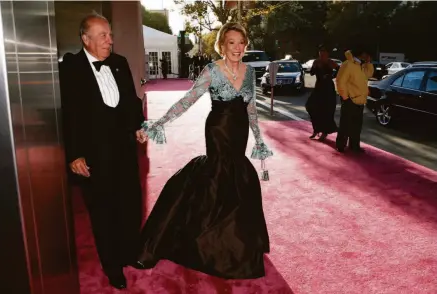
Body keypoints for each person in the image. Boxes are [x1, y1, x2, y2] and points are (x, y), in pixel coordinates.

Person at [135, 22, 273, 279]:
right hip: (219, 129)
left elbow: (251, 108)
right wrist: (158, 122)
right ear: (222, 45)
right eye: (231, 42)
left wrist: (258, 139)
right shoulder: (212, 70)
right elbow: (187, 100)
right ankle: (210, 243)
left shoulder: (250, 72)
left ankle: (238, 243)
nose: (237, 48)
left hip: (240, 130)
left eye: (241, 43)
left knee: (239, 178)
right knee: (217, 178)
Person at [59, 13, 147, 290]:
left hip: (123, 150)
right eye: (103, 36)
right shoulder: (71, 69)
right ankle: (112, 267)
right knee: (104, 213)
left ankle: (130, 252)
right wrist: (74, 154)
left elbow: (132, 103)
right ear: (85, 40)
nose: (110, 40)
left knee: (130, 206)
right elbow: (67, 115)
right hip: (94, 156)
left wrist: (138, 126)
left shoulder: (119, 63)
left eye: (110, 34)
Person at [335, 47, 374, 153]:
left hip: (360, 100)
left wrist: (368, 63)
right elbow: (340, 81)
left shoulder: (361, 65)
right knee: (345, 124)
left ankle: (354, 145)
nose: (368, 56)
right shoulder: (348, 64)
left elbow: (368, 75)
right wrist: (346, 97)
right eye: (367, 54)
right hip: (350, 99)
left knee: (357, 125)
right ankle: (340, 145)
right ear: (362, 53)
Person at [306, 45, 339, 141]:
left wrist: (331, 76)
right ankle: (316, 129)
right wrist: (315, 67)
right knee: (310, 106)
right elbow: (311, 73)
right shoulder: (316, 61)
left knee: (326, 110)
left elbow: (340, 70)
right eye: (320, 52)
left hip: (328, 88)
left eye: (323, 52)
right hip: (319, 87)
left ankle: (325, 132)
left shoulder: (330, 62)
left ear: (327, 53)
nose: (321, 54)